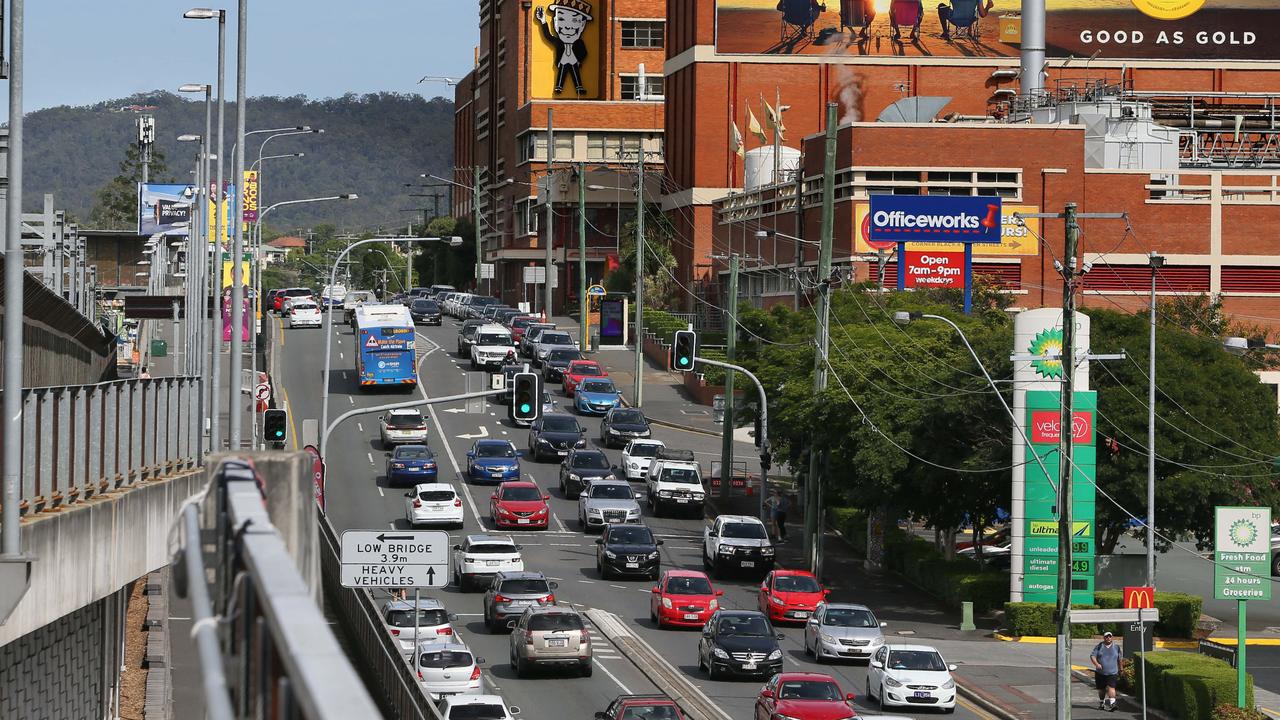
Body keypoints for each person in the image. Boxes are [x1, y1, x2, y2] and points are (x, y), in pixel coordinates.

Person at [1090, 631, 1122, 711]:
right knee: (1101, 689)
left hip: (1112, 672)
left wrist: (1121, 668)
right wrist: (1097, 664)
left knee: (1111, 687)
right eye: (1106, 637)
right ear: (1104, 638)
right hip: (1100, 672)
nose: (1108, 638)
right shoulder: (1099, 646)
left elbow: (1119, 659)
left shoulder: (1116, 647)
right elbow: (1092, 656)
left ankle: (1112, 704)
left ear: (1112, 637)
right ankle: (1102, 703)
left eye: (1110, 636)